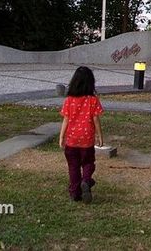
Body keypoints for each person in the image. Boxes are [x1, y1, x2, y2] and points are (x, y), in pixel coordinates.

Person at [59, 66, 104, 203]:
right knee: (88, 163)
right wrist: (100, 136)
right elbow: (96, 119)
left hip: (71, 140)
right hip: (87, 140)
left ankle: (75, 193)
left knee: (73, 166)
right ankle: (86, 180)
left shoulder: (69, 100)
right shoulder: (93, 100)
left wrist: (61, 137)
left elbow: (65, 119)